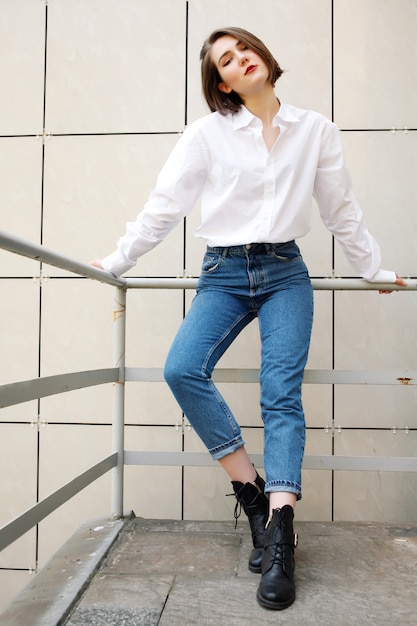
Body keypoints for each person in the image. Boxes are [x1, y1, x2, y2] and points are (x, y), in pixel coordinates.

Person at [91, 27, 406, 611]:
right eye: (226, 61)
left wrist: (372, 269)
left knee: (279, 391)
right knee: (183, 369)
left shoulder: (315, 130)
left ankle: (281, 536)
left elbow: (340, 210)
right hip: (224, 274)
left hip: (287, 271)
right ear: (223, 83)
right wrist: (116, 261)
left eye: (245, 49)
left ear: (263, 57)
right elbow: (166, 206)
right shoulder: (206, 135)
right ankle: (252, 494)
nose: (241, 61)